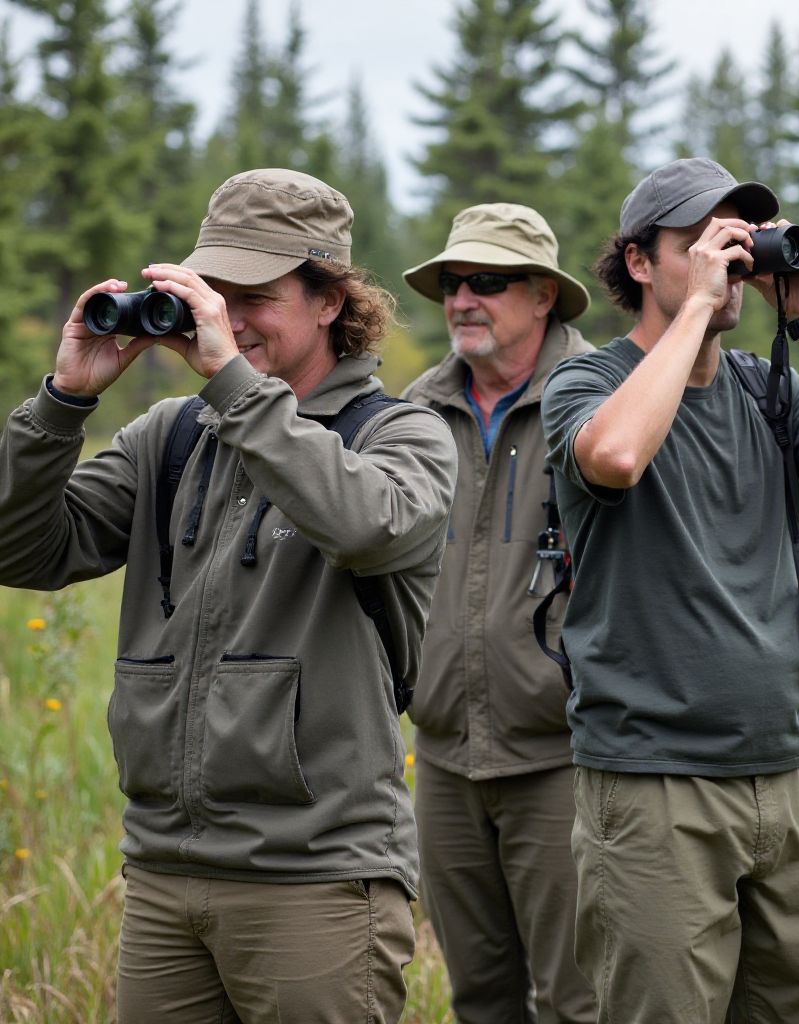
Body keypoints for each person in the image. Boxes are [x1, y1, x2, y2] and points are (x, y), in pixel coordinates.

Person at [0, 168, 458, 1024]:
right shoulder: (171, 437)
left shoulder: (400, 434)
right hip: (164, 872)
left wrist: (235, 388)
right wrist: (63, 402)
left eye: (256, 297)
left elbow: (369, 527)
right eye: (214, 293)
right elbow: (22, 549)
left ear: (330, 301)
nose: (228, 318)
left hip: (317, 877)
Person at [540, 157, 799, 1024]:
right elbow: (616, 456)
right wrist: (699, 308)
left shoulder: (761, 385)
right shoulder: (586, 384)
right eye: (701, 244)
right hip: (654, 783)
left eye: (739, 242)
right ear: (639, 262)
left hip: (787, 771)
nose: (730, 260)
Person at [402, 203, 597, 1024]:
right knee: (478, 998)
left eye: (486, 281)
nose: (462, 300)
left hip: (564, 758)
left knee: (579, 1000)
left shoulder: (598, 397)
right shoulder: (415, 409)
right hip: (443, 758)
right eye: (452, 283)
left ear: (544, 294)